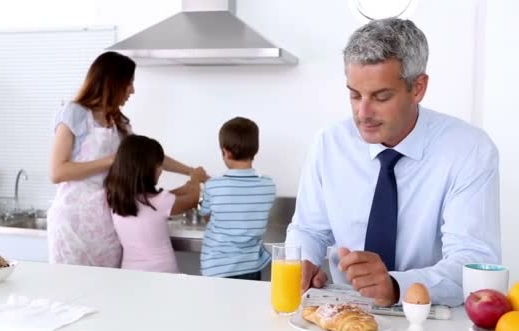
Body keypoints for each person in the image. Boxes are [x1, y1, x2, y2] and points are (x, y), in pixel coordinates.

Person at [286, 18, 500, 307]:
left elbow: (474, 263)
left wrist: (397, 286)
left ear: (418, 88)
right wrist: (303, 261)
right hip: (345, 314)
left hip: (431, 318)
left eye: (381, 96)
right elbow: (309, 229)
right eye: (354, 94)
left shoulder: (469, 150)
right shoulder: (329, 143)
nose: (363, 113)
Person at [47, 51, 206, 267]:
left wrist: (190, 171)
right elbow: (58, 172)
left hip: (107, 223)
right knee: (72, 291)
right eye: (129, 82)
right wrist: (111, 160)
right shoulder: (74, 113)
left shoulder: (118, 121)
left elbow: (149, 155)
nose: (132, 89)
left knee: (107, 292)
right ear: (113, 82)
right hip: (73, 223)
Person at [105, 135, 206, 273]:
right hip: (163, 273)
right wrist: (195, 177)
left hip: (130, 273)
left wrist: (182, 189)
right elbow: (193, 200)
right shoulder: (160, 202)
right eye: (158, 165)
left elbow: (154, 203)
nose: (161, 170)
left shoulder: (115, 198)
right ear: (145, 168)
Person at [199, 117, 276, 280]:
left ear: (225, 152)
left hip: (217, 267)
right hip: (251, 265)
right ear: (255, 150)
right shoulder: (268, 185)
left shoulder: (213, 185)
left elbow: (206, 215)